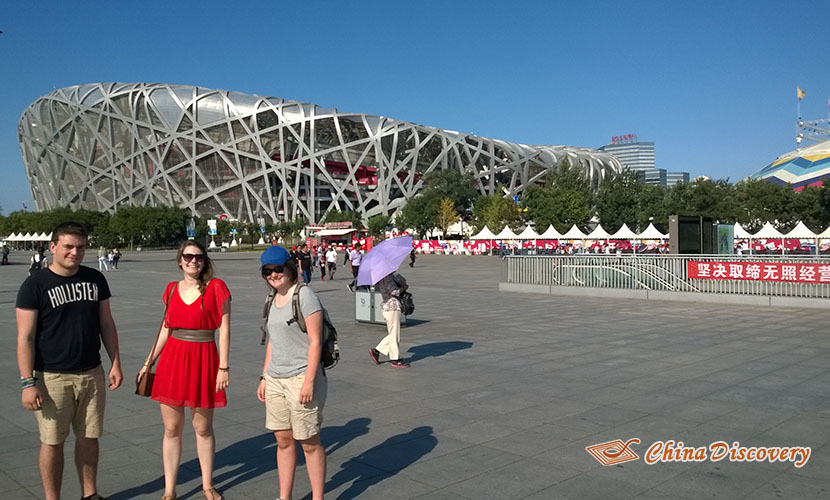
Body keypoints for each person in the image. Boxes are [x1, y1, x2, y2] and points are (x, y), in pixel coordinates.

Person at [16, 221, 123, 500]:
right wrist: (28, 382)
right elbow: (25, 337)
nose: (75, 252)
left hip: (92, 373)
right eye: (68, 247)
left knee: (89, 437)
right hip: (52, 377)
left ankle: (90, 494)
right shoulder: (34, 285)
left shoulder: (95, 279)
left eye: (81, 247)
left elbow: (106, 324)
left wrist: (115, 363)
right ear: (53, 247)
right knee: (52, 441)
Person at [137, 241, 231, 500]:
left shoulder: (216, 288)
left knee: (202, 428)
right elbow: (166, 328)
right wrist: (148, 362)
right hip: (173, 360)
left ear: (205, 261)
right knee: (171, 429)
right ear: (180, 260)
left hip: (205, 359)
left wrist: (223, 366)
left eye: (199, 257)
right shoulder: (170, 290)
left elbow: (224, 330)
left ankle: (207, 484)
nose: (193, 261)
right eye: (188, 256)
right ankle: (169, 490)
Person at [257, 246, 327, 500]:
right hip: (276, 379)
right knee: (284, 441)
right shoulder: (272, 299)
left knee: (309, 442)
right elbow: (273, 341)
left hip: (300, 377)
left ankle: (318, 497)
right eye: (267, 271)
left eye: (277, 269)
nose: (273, 275)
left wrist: (309, 381)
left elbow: (316, 342)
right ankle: (284, 496)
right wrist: (265, 376)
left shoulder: (305, 296)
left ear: (289, 268)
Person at [368, 272, 410, 368]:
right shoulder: (387, 277)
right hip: (392, 307)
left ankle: (376, 351)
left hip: (389, 307)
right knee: (394, 334)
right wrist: (404, 287)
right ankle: (395, 359)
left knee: (393, 333)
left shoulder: (384, 277)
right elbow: (394, 291)